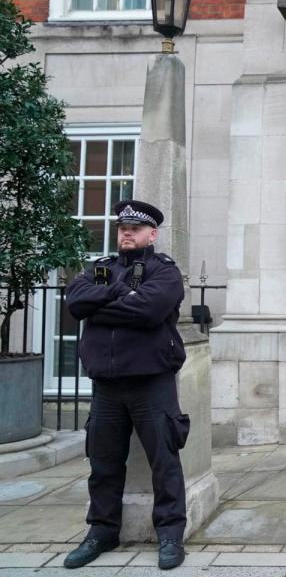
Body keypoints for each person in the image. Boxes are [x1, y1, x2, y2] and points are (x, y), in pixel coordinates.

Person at [63, 200, 189, 570]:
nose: (127, 234)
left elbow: (150, 310)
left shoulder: (164, 271)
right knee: (102, 463)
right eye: (122, 229)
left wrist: (100, 308)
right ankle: (101, 531)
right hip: (106, 385)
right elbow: (75, 301)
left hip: (151, 382)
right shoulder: (100, 269)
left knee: (164, 462)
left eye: (134, 229)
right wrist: (120, 294)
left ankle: (169, 534)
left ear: (153, 234)